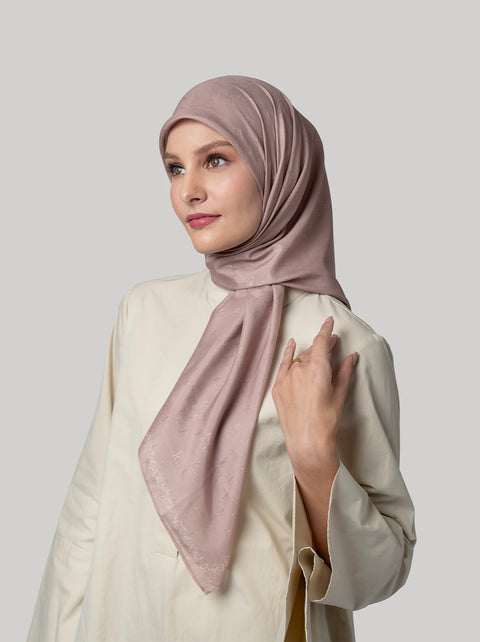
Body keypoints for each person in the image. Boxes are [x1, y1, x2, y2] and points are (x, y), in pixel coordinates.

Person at [27, 75, 416, 642]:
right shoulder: (143, 311)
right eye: (174, 168)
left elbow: (384, 570)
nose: (188, 191)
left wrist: (317, 464)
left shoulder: (343, 345)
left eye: (215, 160)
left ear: (279, 168)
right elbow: (88, 509)